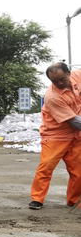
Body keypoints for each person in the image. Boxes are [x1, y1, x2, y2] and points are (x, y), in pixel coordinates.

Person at [29, 62, 81, 210]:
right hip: (55, 135)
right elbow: (75, 121)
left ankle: (74, 200)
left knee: (78, 171)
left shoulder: (77, 76)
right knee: (46, 167)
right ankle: (37, 198)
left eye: (62, 79)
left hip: (76, 136)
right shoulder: (52, 97)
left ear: (69, 73)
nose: (59, 83)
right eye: (54, 81)